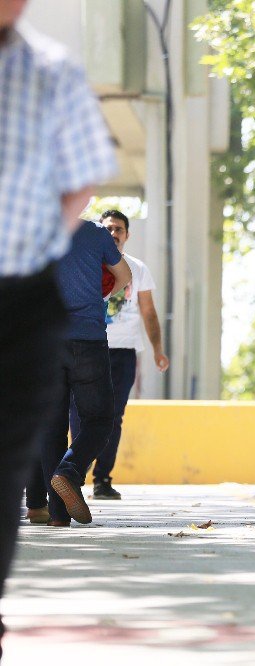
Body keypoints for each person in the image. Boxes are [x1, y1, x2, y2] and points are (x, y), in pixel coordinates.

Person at [0, 0, 118, 650]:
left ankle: (50, 489)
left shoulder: (49, 70)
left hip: (24, 299)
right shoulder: (101, 244)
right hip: (76, 329)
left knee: (23, 441)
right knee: (68, 423)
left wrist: (39, 238)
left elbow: (84, 174)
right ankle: (57, 483)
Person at [68, 210, 169, 500]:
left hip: (123, 351)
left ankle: (102, 479)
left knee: (114, 416)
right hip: (88, 345)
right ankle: (74, 471)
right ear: (101, 230)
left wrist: (158, 351)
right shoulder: (88, 260)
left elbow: (148, 312)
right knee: (78, 411)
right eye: (109, 228)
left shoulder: (138, 269)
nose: (114, 233)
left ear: (127, 235)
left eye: (119, 229)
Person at [36, 220, 131, 527]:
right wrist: (101, 295)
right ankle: (69, 471)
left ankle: (58, 515)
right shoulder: (95, 233)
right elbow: (124, 276)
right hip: (87, 340)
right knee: (100, 420)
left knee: (51, 429)